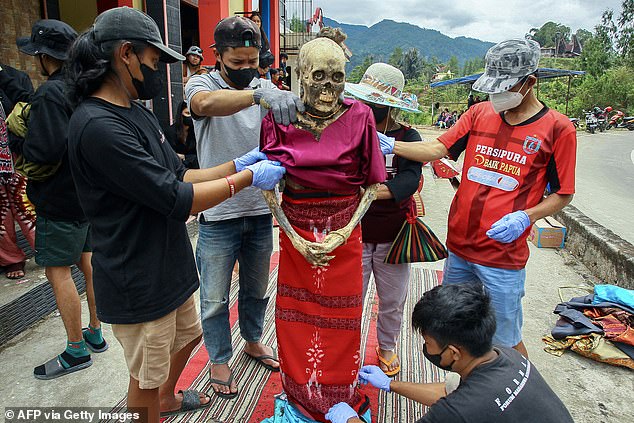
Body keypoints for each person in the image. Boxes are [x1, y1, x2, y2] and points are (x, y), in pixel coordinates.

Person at [65, 7, 285, 422]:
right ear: (126, 54)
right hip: (137, 271)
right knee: (145, 376)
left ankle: (166, 399)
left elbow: (182, 172)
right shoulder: (98, 126)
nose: (157, 71)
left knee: (189, 334)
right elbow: (176, 197)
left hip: (167, 260)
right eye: (153, 60)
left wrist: (238, 164)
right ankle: (150, 409)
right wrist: (247, 178)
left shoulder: (137, 113)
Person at [380, 38, 577, 357]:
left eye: (505, 87)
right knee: (456, 329)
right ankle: (468, 390)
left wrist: (527, 216)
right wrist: (393, 145)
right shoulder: (479, 114)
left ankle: (516, 397)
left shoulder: (558, 129)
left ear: (530, 82)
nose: (497, 95)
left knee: (504, 340)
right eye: (493, 88)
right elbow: (437, 150)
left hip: (502, 256)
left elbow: (564, 194)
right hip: (459, 248)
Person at [259, 28, 386, 423]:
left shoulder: (360, 116)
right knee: (294, 316)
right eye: (318, 77)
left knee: (343, 319)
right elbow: (268, 188)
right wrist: (294, 237)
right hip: (295, 231)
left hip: (343, 233)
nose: (328, 87)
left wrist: (345, 232)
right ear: (301, 76)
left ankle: (337, 395)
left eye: (337, 78)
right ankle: (300, 394)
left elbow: (373, 184)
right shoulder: (278, 118)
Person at [185, 15, 303, 399]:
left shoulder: (266, 87)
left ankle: (253, 340)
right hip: (217, 210)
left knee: (256, 288)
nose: (246, 71)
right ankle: (219, 358)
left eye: (253, 63)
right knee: (215, 297)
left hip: (259, 207)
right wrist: (257, 95)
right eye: (237, 63)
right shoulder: (201, 83)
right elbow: (205, 105)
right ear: (217, 56)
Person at [325, 283, 574, 423]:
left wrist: (348, 420)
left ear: (454, 352)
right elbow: (449, 390)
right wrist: (390, 384)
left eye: (428, 342)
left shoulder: (457, 413)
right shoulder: (509, 356)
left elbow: (456, 404)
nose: (427, 349)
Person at [12, 19, 107, 379]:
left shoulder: (50, 93)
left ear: (42, 56)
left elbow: (45, 151)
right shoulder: (84, 88)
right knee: (88, 263)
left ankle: (75, 349)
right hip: (86, 196)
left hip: (59, 200)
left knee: (58, 271)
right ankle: (95, 332)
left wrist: (19, 140)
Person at [345, 62, 423, 377]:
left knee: (392, 299)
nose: (366, 108)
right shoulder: (350, 132)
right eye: (363, 102)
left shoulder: (408, 136)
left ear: (387, 106)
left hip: (394, 235)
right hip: (355, 233)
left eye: (373, 104)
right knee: (350, 297)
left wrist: (371, 193)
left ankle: (386, 346)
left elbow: (410, 180)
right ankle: (346, 347)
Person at [0, 64, 36, 280]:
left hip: (15, 153)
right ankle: (11, 258)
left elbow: (29, 109)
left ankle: (44, 248)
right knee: (1, 211)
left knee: (26, 202)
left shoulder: (15, 77)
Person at [163, 101, 199, 169]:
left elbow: (199, 155)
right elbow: (169, 155)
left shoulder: (195, 132)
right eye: (187, 113)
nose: (190, 117)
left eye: (192, 114)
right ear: (180, 114)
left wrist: (184, 157)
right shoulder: (170, 132)